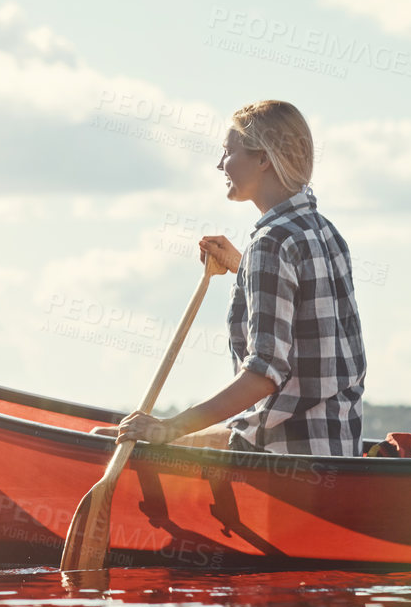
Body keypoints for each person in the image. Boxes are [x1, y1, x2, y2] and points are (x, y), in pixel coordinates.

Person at [91, 100, 367, 455]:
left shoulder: (271, 243)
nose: (220, 163)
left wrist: (168, 428)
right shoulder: (323, 231)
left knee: (117, 443)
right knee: (108, 436)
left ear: (263, 159)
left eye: (228, 151)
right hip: (337, 445)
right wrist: (241, 266)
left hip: (284, 455)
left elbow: (264, 373)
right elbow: (306, 302)